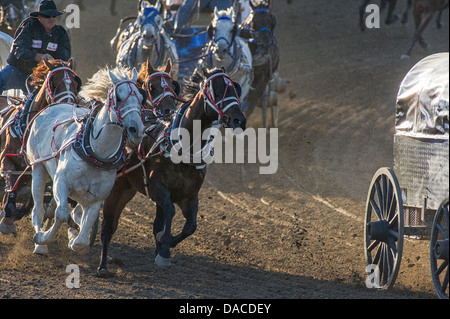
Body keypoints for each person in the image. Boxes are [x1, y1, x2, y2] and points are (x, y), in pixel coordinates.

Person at [0, 0, 71, 95]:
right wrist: (38, 56)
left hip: (41, 77)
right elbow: (19, 50)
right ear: (39, 17)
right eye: (47, 16)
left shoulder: (61, 33)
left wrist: (54, 63)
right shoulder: (29, 28)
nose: (51, 19)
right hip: (18, 71)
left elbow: (64, 58)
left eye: (53, 16)